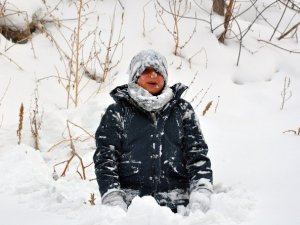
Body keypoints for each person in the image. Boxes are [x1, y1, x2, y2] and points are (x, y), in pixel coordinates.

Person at [93, 49, 213, 214]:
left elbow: (197, 155)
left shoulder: (182, 110)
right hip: (132, 208)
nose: (153, 76)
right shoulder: (117, 112)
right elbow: (105, 159)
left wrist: (201, 193)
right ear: (135, 76)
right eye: (146, 71)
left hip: (179, 208)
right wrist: (112, 198)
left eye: (158, 71)